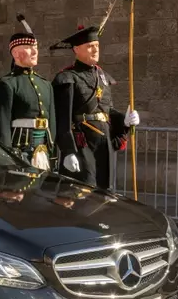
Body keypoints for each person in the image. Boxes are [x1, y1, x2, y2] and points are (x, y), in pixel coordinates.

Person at [50, 22, 140, 189]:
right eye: (90, 46)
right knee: (83, 195)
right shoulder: (68, 78)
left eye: (97, 45)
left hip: (104, 145)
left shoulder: (103, 77)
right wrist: (68, 150)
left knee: (107, 193)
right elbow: (62, 119)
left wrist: (125, 121)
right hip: (82, 147)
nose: (95, 49)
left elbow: (107, 111)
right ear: (76, 49)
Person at [0, 15, 55, 170]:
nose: (34, 52)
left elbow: (52, 123)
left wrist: (54, 152)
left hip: (43, 149)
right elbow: (0, 126)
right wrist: (7, 158)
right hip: (19, 149)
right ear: (15, 54)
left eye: (35, 48)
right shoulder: (8, 84)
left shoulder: (45, 84)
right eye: (29, 48)